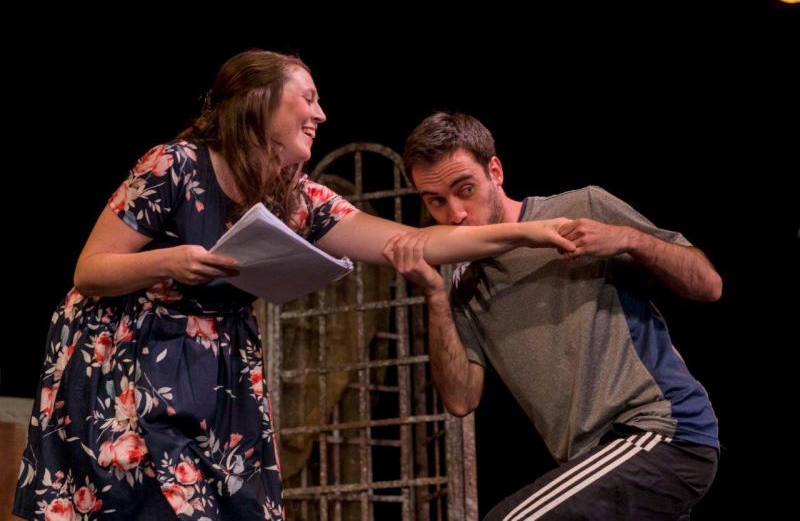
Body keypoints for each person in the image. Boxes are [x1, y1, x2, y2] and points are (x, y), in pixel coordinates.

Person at [13, 52, 576, 521]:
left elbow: (413, 241)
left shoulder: (299, 198)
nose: (321, 113)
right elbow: (90, 270)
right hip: (130, 361)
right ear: (260, 103)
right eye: (308, 98)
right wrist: (171, 261)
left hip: (219, 371)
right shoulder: (174, 166)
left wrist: (529, 232)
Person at [383, 111, 722, 520]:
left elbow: (708, 285)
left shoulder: (579, 208)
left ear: (495, 171)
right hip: (592, 462)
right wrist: (435, 296)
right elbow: (460, 399)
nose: (455, 213)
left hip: (659, 431)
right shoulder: (465, 283)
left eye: (465, 189)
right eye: (436, 201)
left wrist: (627, 239)